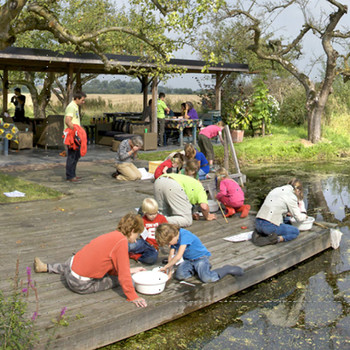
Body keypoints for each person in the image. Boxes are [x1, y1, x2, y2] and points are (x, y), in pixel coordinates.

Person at [33, 213, 148, 308]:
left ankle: (46, 267)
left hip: (70, 268)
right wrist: (133, 296)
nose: (136, 239)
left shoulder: (113, 235)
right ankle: (47, 268)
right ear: (132, 230)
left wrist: (130, 270)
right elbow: (123, 275)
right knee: (114, 280)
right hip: (79, 284)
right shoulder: (122, 243)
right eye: (137, 235)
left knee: (76, 261)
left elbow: (112, 264)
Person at [156, 223, 244, 282]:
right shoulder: (174, 240)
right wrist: (169, 272)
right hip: (189, 260)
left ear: (173, 236)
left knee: (206, 278)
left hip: (200, 258)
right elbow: (171, 256)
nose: (169, 245)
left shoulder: (185, 235)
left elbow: (178, 256)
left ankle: (226, 269)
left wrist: (166, 266)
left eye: (168, 243)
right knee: (180, 276)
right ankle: (197, 269)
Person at [255, 178, 308, 243]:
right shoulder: (291, 196)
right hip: (268, 226)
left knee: (287, 219)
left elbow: (274, 207)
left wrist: (286, 213)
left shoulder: (275, 190)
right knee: (295, 231)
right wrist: (305, 215)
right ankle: (274, 239)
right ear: (297, 189)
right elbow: (299, 218)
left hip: (257, 223)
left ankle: (261, 232)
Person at [129, 198, 168, 264]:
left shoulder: (161, 218)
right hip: (144, 242)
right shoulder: (142, 220)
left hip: (154, 246)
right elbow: (135, 230)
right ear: (145, 212)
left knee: (151, 259)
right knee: (129, 246)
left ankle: (136, 256)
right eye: (150, 214)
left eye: (155, 213)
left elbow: (167, 230)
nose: (153, 216)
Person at [64, 91, 87, 182]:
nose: (83, 102)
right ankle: (70, 176)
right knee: (72, 156)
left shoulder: (75, 107)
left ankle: (73, 174)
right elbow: (68, 120)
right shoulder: (71, 107)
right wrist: (75, 132)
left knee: (76, 155)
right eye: (82, 100)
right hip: (72, 134)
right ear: (77, 98)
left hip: (75, 133)